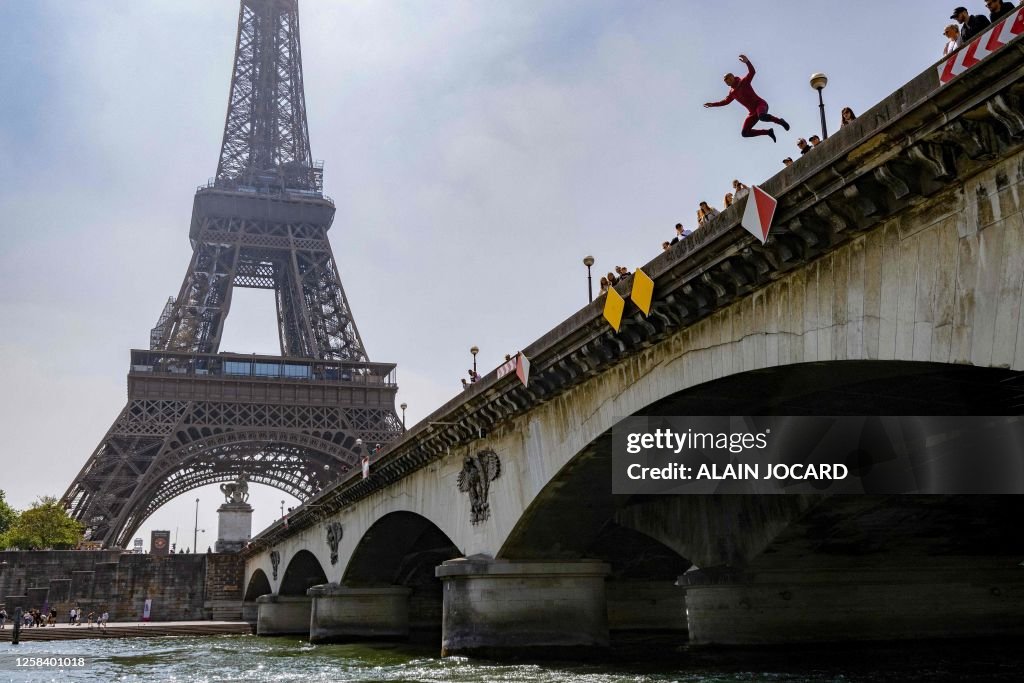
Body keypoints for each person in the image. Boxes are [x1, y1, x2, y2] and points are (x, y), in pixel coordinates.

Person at [703, 54, 790, 141]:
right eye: (725, 81)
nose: (727, 82)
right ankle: (768, 132)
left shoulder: (744, 82)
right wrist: (712, 104)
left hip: (760, 105)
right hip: (752, 113)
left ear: (733, 77)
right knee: (745, 133)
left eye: (728, 79)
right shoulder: (732, 93)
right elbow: (725, 102)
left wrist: (747, 62)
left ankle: (780, 121)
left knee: (762, 117)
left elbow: (752, 72)